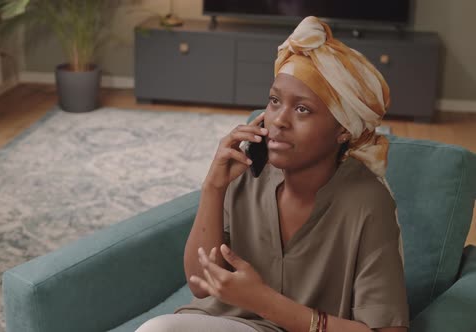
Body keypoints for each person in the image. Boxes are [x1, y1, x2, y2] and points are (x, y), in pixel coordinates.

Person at [136, 16, 409, 332]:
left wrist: (263, 301)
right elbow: (200, 284)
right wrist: (213, 186)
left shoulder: (367, 202)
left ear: (343, 130)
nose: (278, 120)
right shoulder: (247, 169)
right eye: (275, 101)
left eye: (302, 109)